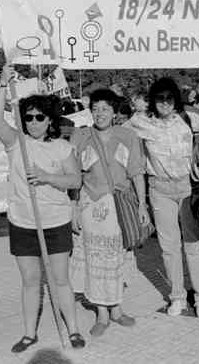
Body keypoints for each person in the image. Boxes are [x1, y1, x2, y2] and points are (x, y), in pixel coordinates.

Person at [0, 65, 85, 352]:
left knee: (60, 280)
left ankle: (73, 330)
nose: (33, 122)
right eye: (28, 117)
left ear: (50, 120)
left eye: (39, 117)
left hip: (55, 222)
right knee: (31, 281)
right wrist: (2, 84)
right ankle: (29, 333)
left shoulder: (61, 147)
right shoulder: (15, 143)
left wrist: (47, 177)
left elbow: (75, 180)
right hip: (23, 222)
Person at [125, 78, 199, 319]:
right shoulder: (141, 122)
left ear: (175, 99)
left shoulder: (189, 118)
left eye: (169, 97)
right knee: (169, 247)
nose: (165, 102)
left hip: (187, 187)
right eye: (160, 98)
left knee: (193, 245)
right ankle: (177, 296)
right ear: (152, 100)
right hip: (159, 189)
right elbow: (117, 133)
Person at [71, 88, 145, 337]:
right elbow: (74, 176)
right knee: (95, 259)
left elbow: (137, 172)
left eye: (105, 109)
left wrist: (142, 205)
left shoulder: (128, 136)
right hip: (90, 206)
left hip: (119, 206)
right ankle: (102, 313)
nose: (99, 113)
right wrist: (73, 208)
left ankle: (117, 309)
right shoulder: (81, 137)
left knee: (116, 258)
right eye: (95, 109)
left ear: (114, 112)